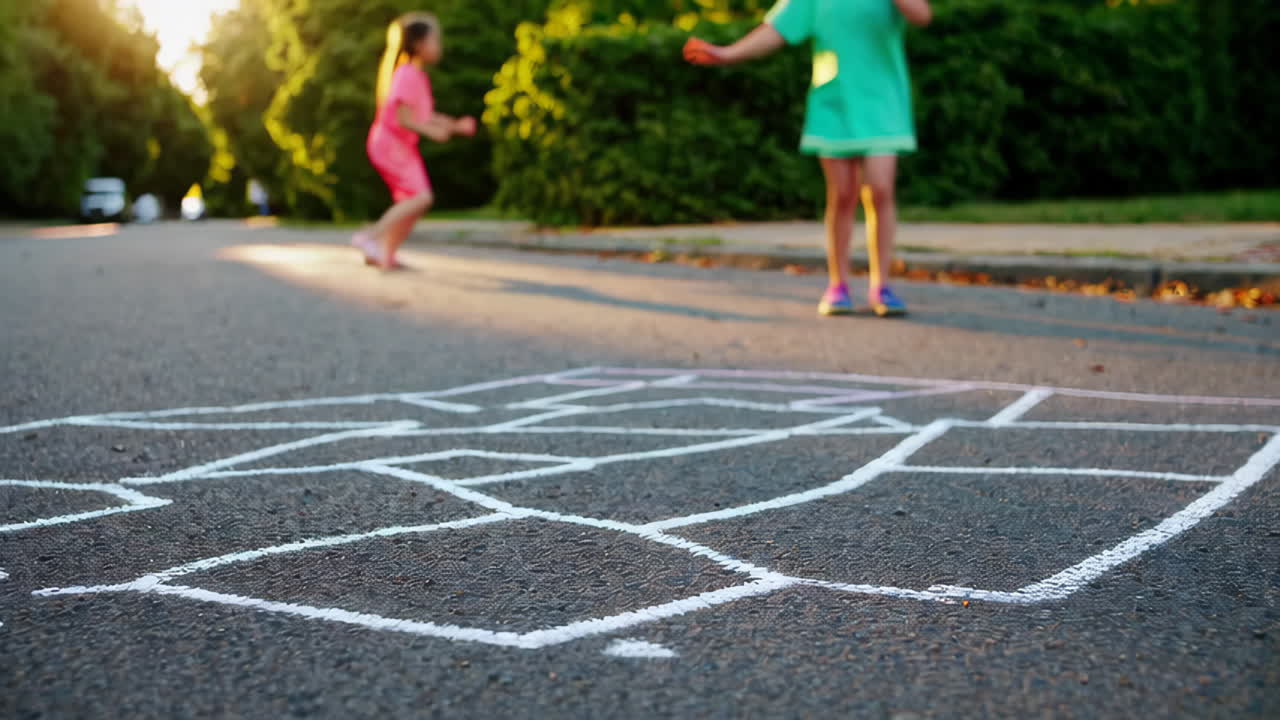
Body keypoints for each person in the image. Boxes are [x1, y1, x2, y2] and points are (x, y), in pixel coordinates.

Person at [684, 0, 932, 316]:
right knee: (842, 194)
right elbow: (774, 32)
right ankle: (838, 285)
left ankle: (880, 285)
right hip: (834, 104)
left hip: (882, 104)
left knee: (880, 190)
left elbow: (922, 15)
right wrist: (727, 53)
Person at [354, 12, 477, 269]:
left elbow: (425, 115)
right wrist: (433, 132)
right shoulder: (406, 73)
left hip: (400, 147)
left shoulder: (416, 75)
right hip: (390, 145)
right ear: (420, 45)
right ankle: (369, 237)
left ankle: (385, 255)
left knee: (412, 204)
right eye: (435, 40)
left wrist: (455, 126)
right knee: (421, 198)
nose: (439, 46)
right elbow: (403, 118)